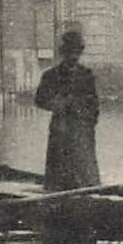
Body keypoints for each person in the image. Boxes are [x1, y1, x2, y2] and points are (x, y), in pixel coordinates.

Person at [34, 30, 101, 190]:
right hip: (61, 129)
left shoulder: (87, 75)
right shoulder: (50, 75)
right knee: (59, 170)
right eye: (70, 52)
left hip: (82, 130)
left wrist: (89, 122)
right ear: (63, 53)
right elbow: (40, 100)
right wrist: (58, 104)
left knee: (85, 172)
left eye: (76, 52)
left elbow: (94, 103)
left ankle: (89, 193)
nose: (73, 56)